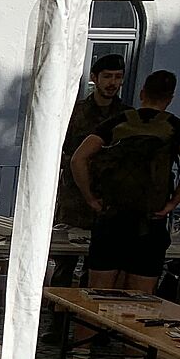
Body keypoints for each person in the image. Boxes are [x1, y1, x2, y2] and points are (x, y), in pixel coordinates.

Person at [66, 69, 180, 359]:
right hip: (150, 224)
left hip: (111, 220)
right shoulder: (177, 128)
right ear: (170, 98)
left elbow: (79, 159)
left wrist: (90, 197)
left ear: (142, 91)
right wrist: (174, 201)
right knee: (141, 301)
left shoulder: (117, 122)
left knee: (95, 294)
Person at [56, 53, 128, 230]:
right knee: (65, 253)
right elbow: (58, 151)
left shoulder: (127, 116)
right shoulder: (75, 113)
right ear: (94, 78)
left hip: (110, 200)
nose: (112, 83)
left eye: (118, 77)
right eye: (107, 76)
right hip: (74, 200)